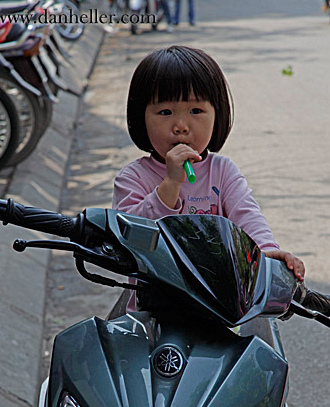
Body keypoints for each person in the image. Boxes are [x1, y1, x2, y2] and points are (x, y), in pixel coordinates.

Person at [112, 46, 305, 308]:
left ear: (217, 115)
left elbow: (246, 215)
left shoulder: (222, 171)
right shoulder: (133, 178)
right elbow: (127, 239)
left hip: (219, 308)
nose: (181, 125)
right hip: (154, 309)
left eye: (196, 111)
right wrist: (169, 185)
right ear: (141, 118)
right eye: (165, 113)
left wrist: (265, 252)